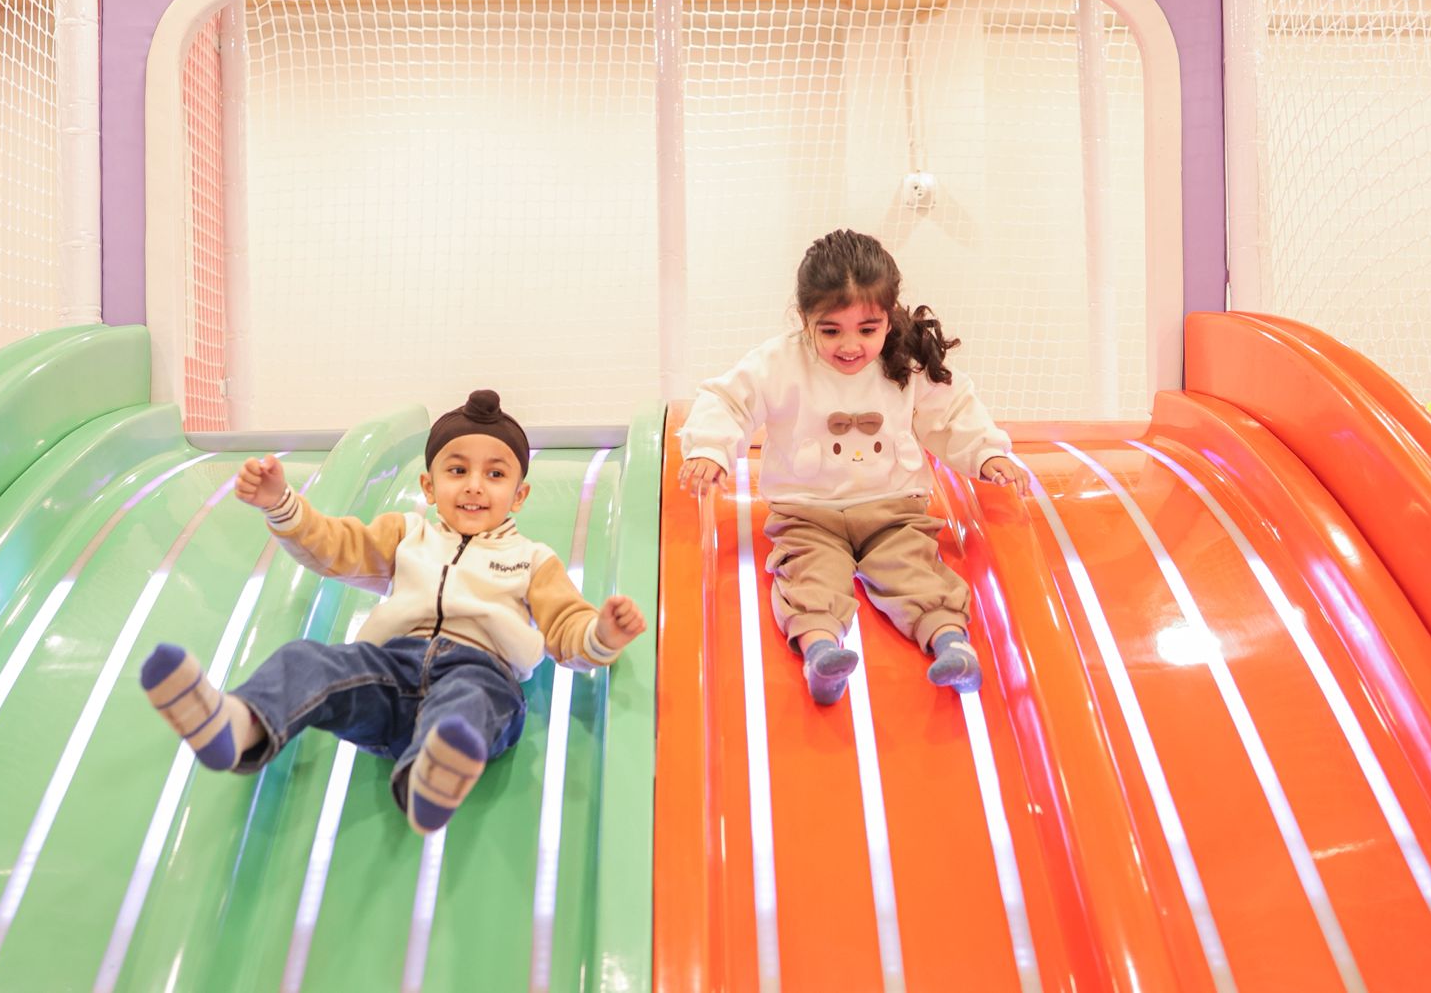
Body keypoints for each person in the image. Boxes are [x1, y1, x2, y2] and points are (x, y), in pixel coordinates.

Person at [139, 389, 646, 834]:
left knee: (469, 702)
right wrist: (281, 502)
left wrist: (601, 633)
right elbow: (335, 545)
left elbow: (565, 627)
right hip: (389, 671)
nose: (474, 485)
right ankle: (238, 724)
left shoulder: (532, 560)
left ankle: (431, 773)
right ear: (429, 487)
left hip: (478, 670)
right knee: (306, 660)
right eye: (457, 470)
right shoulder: (407, 535)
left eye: (495, 474)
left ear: (519, 494)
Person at [678, 229, 1022, 705]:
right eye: (831, 330)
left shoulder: (905, 360)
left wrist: (987, 453)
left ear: (888, 316)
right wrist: (709, 449)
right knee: (811, 575)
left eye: (867, 329)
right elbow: (729, 401)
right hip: (808, 512)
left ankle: (951, 644)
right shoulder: (781, 362)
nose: (850, 346)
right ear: (805, 319)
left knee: (915, 569)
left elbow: (951, 411)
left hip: (894, 509)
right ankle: (822, 654)